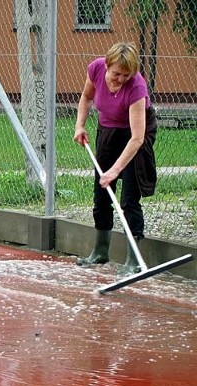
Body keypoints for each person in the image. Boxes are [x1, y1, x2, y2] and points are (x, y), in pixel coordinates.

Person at [73, 41, 158, 275]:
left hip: (135, 135)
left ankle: (133, 261)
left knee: (129, 198)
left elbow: (137, 139)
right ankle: (100, 252)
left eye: (126, 75)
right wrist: (80, 125)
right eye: (116, 73)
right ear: (107, 65)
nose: (120, 79)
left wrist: (115, 170)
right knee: (101, 193)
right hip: (108, 129)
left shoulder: (136, 88)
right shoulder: (96, 68)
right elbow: (86, 96)